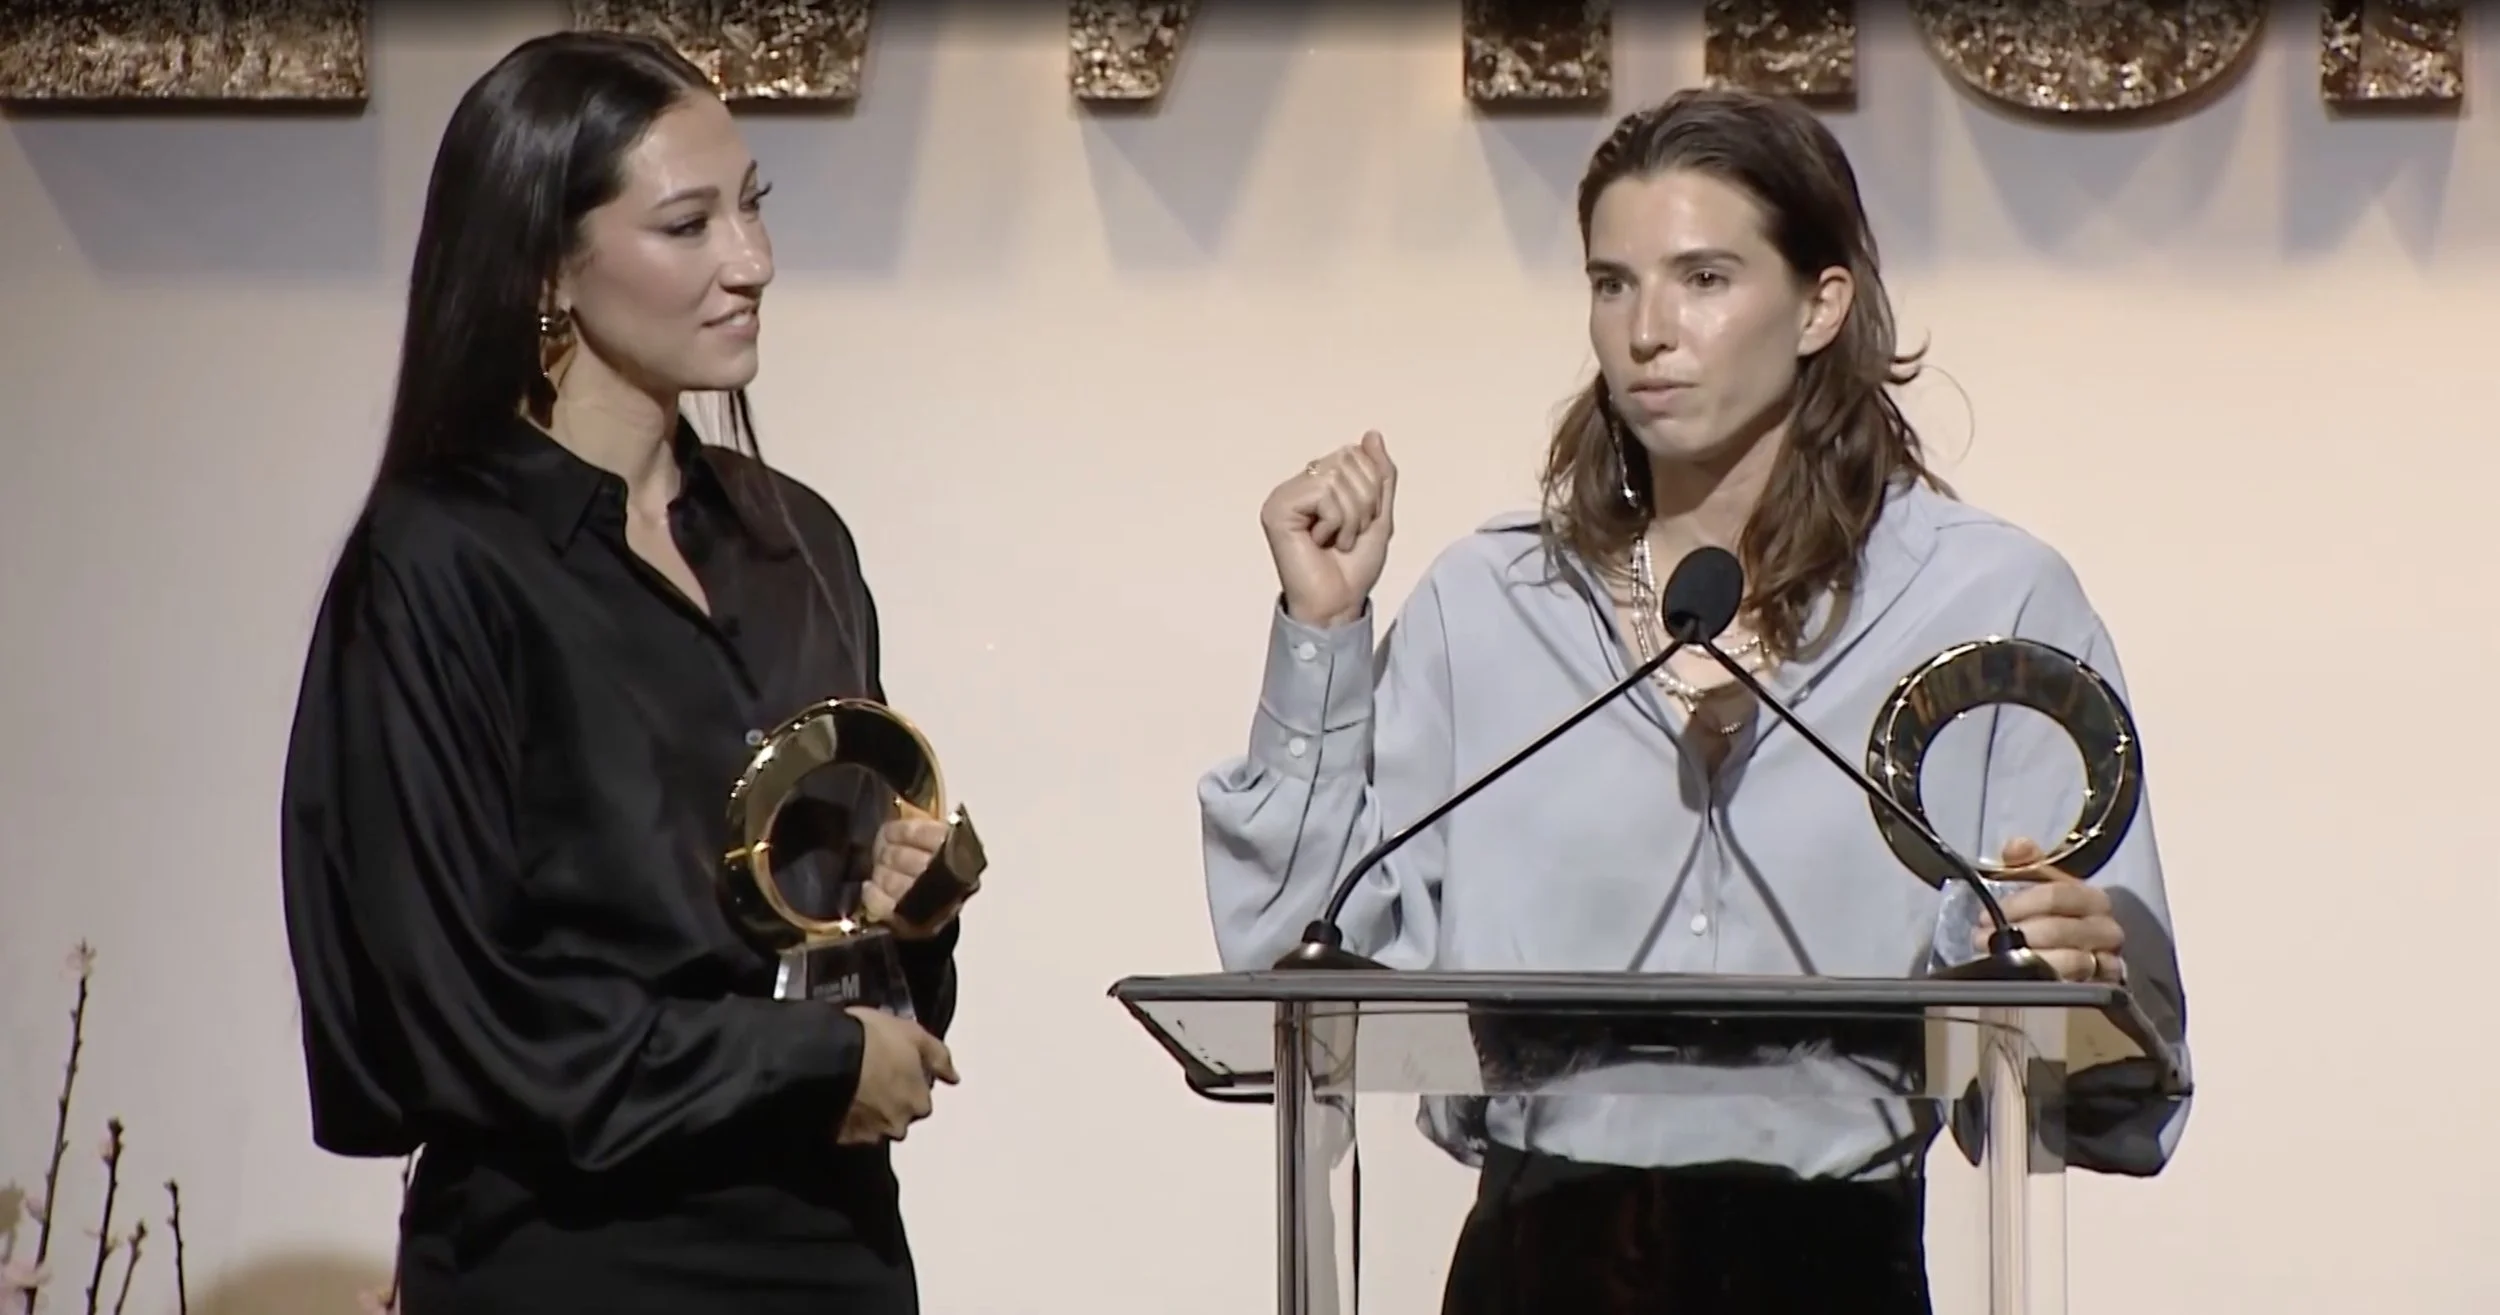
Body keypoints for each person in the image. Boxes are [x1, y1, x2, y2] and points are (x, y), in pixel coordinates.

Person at [1199, 87, 2192, 1313]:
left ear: (1821, 302)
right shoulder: (1487, 604)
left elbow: (2121, 1061)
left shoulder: (1988, 601)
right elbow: (1292, 971)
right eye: (1611, 283)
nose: (1645, 331)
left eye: (1703, 278)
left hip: (1831, 1261)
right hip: (1538, 1259)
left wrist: (2067, 958)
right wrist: (1322, 631)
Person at [278, 32, 969, 1315]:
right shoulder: (436, 562)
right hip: (572, 1261)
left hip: (833, 1254)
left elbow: (832, 956)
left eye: (753, 207)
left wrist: (913, 918)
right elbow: (465, 1012)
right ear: (549, 260)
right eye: (687, 225)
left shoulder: (798, 540)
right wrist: (805, 1066)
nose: (751, 262)